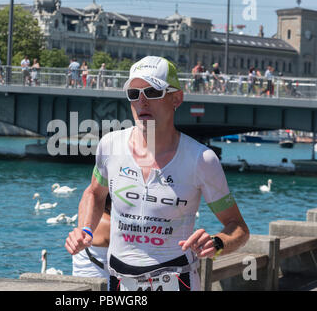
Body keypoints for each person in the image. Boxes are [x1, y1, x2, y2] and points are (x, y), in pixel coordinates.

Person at [65, 56, 250, 291]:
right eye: (134, 94)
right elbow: (94, 194)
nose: (142, 102)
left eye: (152, 92)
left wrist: (217, 242)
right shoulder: (109, 145)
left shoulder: (201, 159)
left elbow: (239, 228)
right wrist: (85, 230)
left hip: (178, 279)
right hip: (121, 282)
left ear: (177, 98)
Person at [72, 194, 119, 290]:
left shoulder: (86, 218)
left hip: (78, 282)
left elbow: (90, 193)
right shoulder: (108, 224)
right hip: (100, 285)